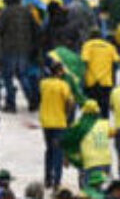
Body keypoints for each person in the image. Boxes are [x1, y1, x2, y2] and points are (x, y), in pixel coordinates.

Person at [39, 61, 76, 190]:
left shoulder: (43, 84)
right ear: (59, 72)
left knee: (49, 150)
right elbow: (70, 102)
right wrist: (67, 114)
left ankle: (47, 178)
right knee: (58, 152)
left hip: (45, 122)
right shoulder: (63, 85)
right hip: (59, 122)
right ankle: (57, 181)